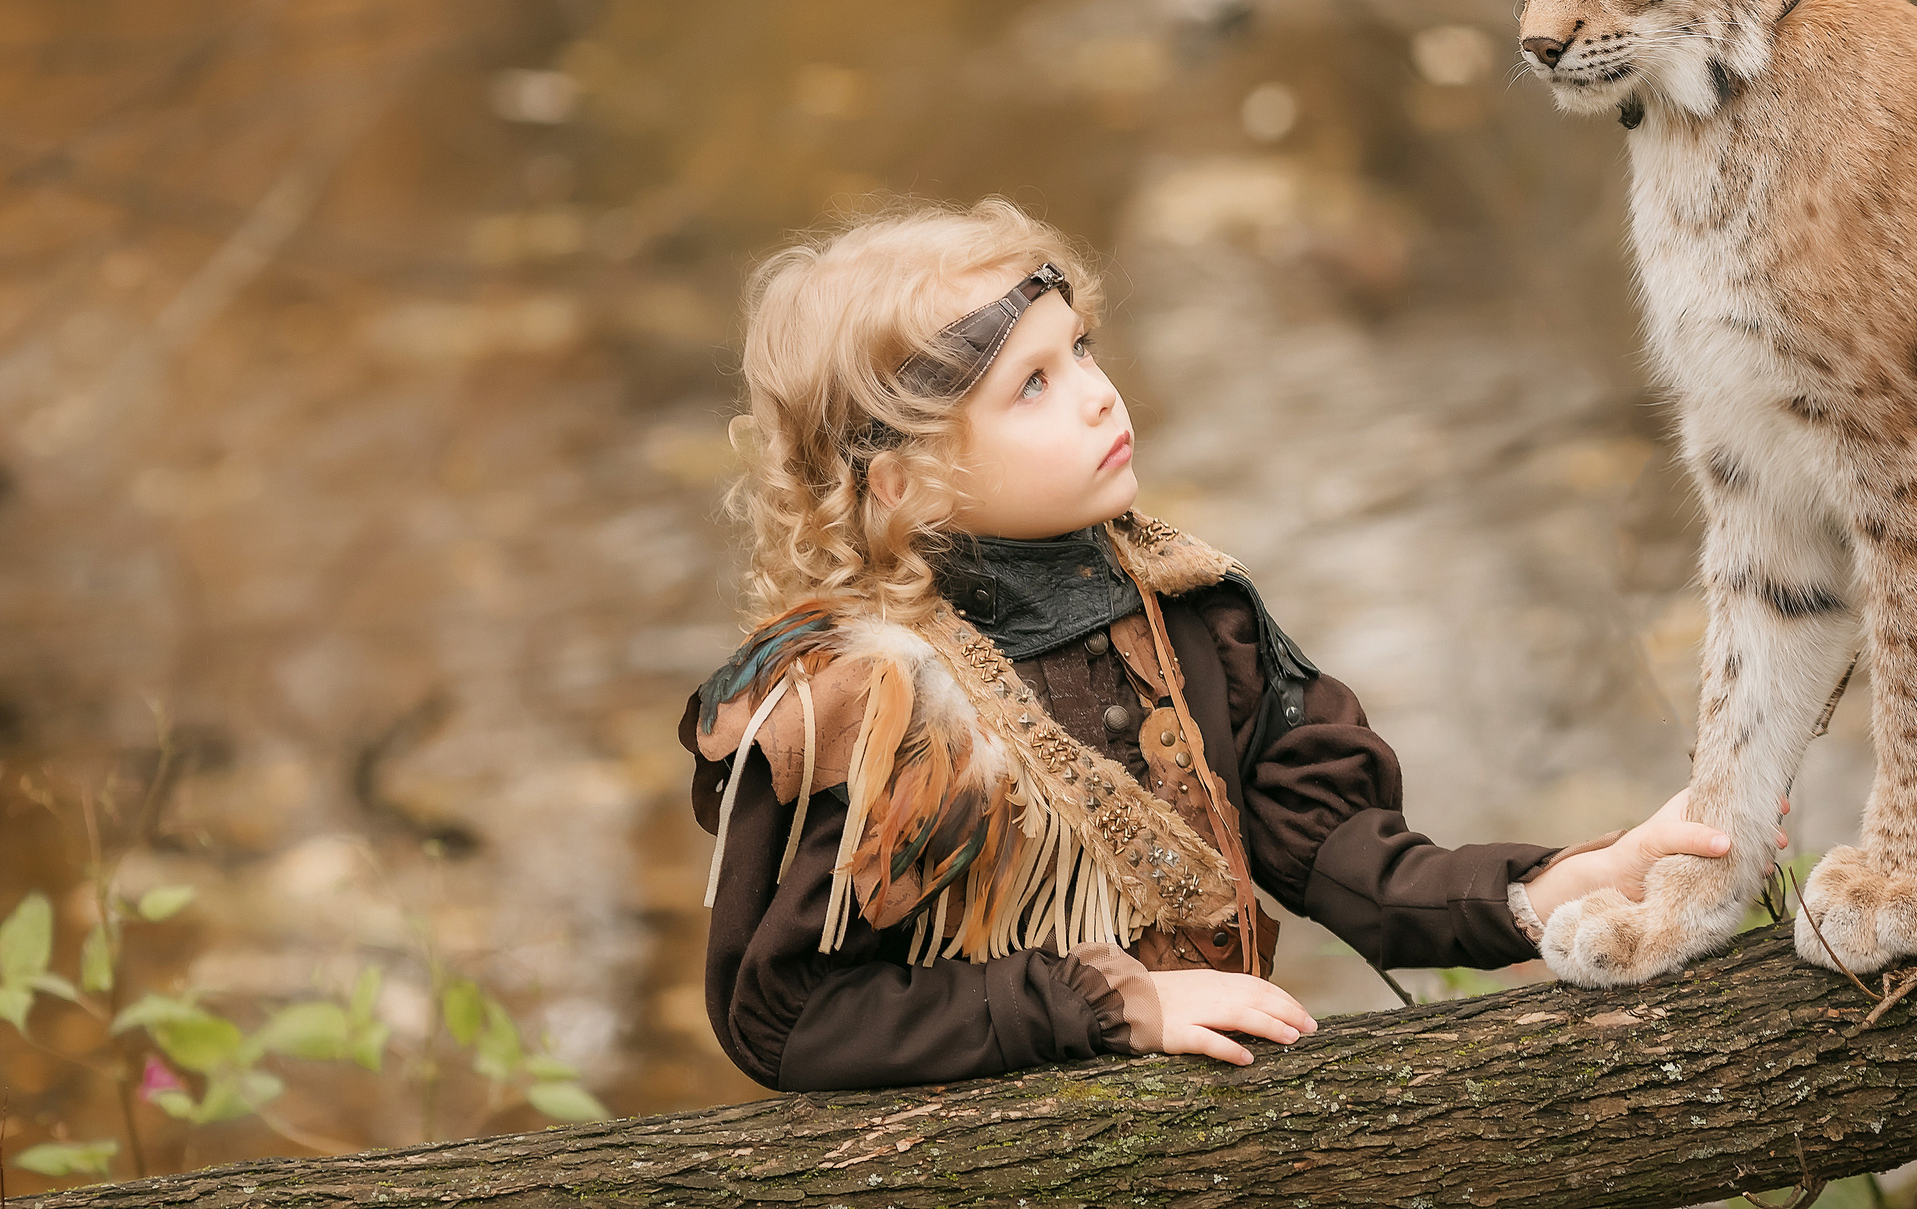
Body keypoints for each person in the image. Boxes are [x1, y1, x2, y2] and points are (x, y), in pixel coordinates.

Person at [680, 198, 1782, 1090]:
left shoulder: (1188, 606)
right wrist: (1106, 1001)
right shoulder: (862, 702)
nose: (1099, 396)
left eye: (1079, 348)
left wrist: (1554, 885)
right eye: (1032, 385)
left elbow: (1341, 858)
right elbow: (787, 1018)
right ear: (907, 483)